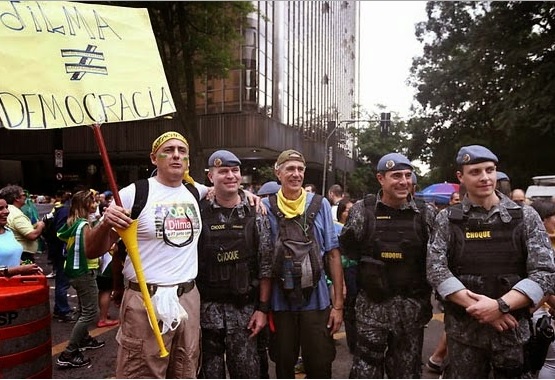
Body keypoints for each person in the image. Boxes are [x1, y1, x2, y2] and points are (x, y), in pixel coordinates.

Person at [85, 131, 210, 378]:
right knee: (141, 372)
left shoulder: (194, 192)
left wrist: (250, 196)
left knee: (185, 370)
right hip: (144, 300)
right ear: (154, 158)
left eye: (182, 151)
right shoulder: (134, 193)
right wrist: (105, 223)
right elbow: (92, 249)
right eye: (169, 150)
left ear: (187, 161)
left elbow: (224, 189)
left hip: (187, 298)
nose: (176, 155)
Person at [427, 144, 555, 378]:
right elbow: (436, 270)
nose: (485, 177)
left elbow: (544, 273)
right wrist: (480, 309)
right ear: (461, 177)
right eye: (475, 171)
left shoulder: (525, 217)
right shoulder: (448, 219)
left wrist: (499, 306)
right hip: (464, 336)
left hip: (512, 334)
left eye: (490, 170)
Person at [340, 152, 436, 378]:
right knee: (365, 372)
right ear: (381, 179)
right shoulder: (362, 211)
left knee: (406, 373)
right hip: (371, 310)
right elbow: (347, 255)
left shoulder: (425, 214)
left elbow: (438, 260)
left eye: (408, 175)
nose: (404, 181)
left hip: (411, 312)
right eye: (396, 176)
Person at [262, 149, 344, 378]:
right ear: (278, 173)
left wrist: (337, 305)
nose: (296, 174)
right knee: (284, 366)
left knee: (320, 366)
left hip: (317, 302)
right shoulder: (264, 207)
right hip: (280, 304)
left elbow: (333, 254)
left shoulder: (321, 205)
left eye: (300, 169)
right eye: (290, 168)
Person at [197, 150, 273, 378]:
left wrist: (262, 310)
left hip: (245, 316)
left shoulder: (256, 212)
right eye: (223, 171)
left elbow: (266, 265)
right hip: (206, 315)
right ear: (211, 177)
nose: (230, 176)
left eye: (234, 170)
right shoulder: (197, 211)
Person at [56, 190, 105, 368]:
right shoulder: (82, 224)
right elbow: (86, 249)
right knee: (90, 312)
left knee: (83, 309)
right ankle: (68, 352)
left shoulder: (74, 221)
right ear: (86, 204)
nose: (96, 204)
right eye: (93, 202)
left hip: (76, 272)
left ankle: (83, 339)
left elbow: (62, 236)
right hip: (83, 272)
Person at [530, 200, 555, 379]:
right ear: (544, 220)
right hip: (539, 317)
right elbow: (544, 287)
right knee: (549, 362)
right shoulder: (539, 247)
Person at [0, 192, 43, 276]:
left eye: (6, 207)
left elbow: (11, 257)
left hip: (16, 286)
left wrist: (27, 265)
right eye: (0, 208)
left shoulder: (8, 231)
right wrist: (18, 270)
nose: (7, 211)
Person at [335, 197, 357, 354]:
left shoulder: (359, 227)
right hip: (342, 273)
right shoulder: (335, 228)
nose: (351, 213)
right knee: (347, 309)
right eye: (348, 210)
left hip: (357, 273)